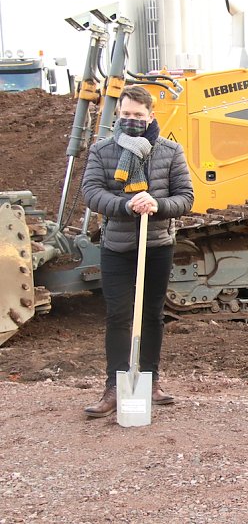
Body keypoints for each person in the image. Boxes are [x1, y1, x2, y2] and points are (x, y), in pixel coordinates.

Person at [82, 85, 194, 418]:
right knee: (118, 314)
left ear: (151, 116)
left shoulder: (170, 151)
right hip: (116, 246)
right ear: (118, 115)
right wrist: (125, 204)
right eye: (126, 115)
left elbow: (186, 198)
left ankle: (150, 379)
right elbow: (91, 193)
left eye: (138, 116)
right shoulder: (102, 151)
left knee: (151, 314)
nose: (131, 120)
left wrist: (157, 203)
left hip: (157, 245)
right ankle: (115, 386)